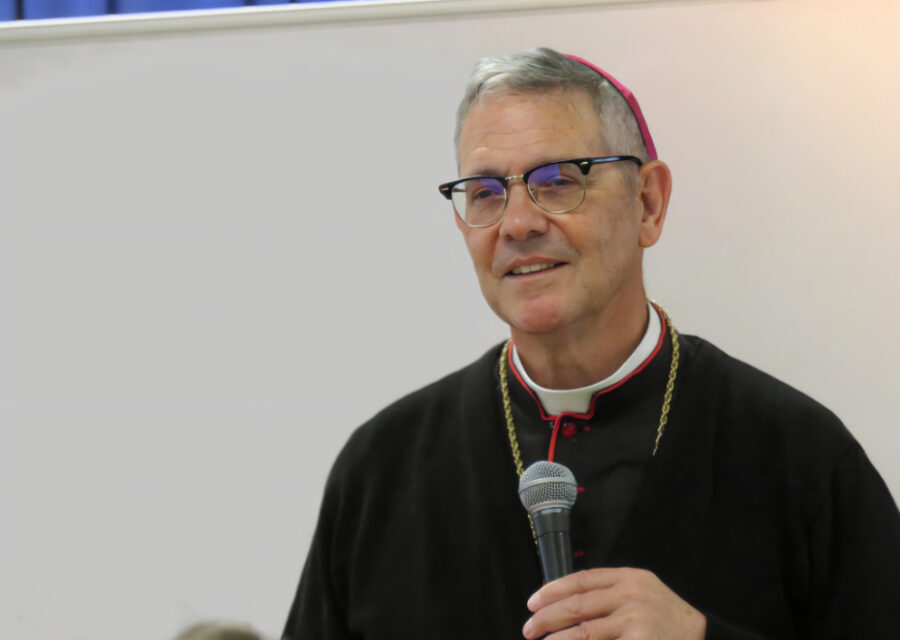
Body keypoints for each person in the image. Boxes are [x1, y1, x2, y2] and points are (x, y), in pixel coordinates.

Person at [282, 47, 900, 639]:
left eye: (558, 181)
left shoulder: (800, 457)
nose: (518, 224)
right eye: (487, 194)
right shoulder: (382, 469)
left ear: (648, 204)